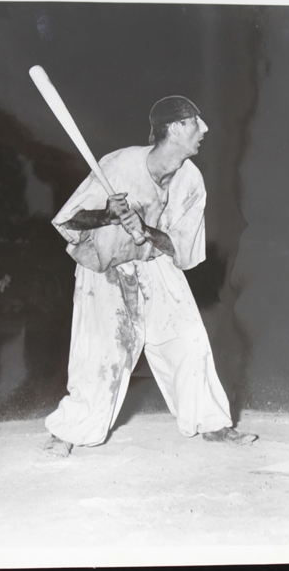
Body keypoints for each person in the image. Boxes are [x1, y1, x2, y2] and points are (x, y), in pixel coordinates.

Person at [43, 96, 257, 457]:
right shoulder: (119, 164)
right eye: (194, 123)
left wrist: (145, 230)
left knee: (189, 339)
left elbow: (181, 249)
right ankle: (67, 432)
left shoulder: (191, 181)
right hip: (106, 267)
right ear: (174, 129)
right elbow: (68, 221)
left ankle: (213, 424)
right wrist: (107, 216)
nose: (203, 129)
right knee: (103, 354)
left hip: (154, 263)